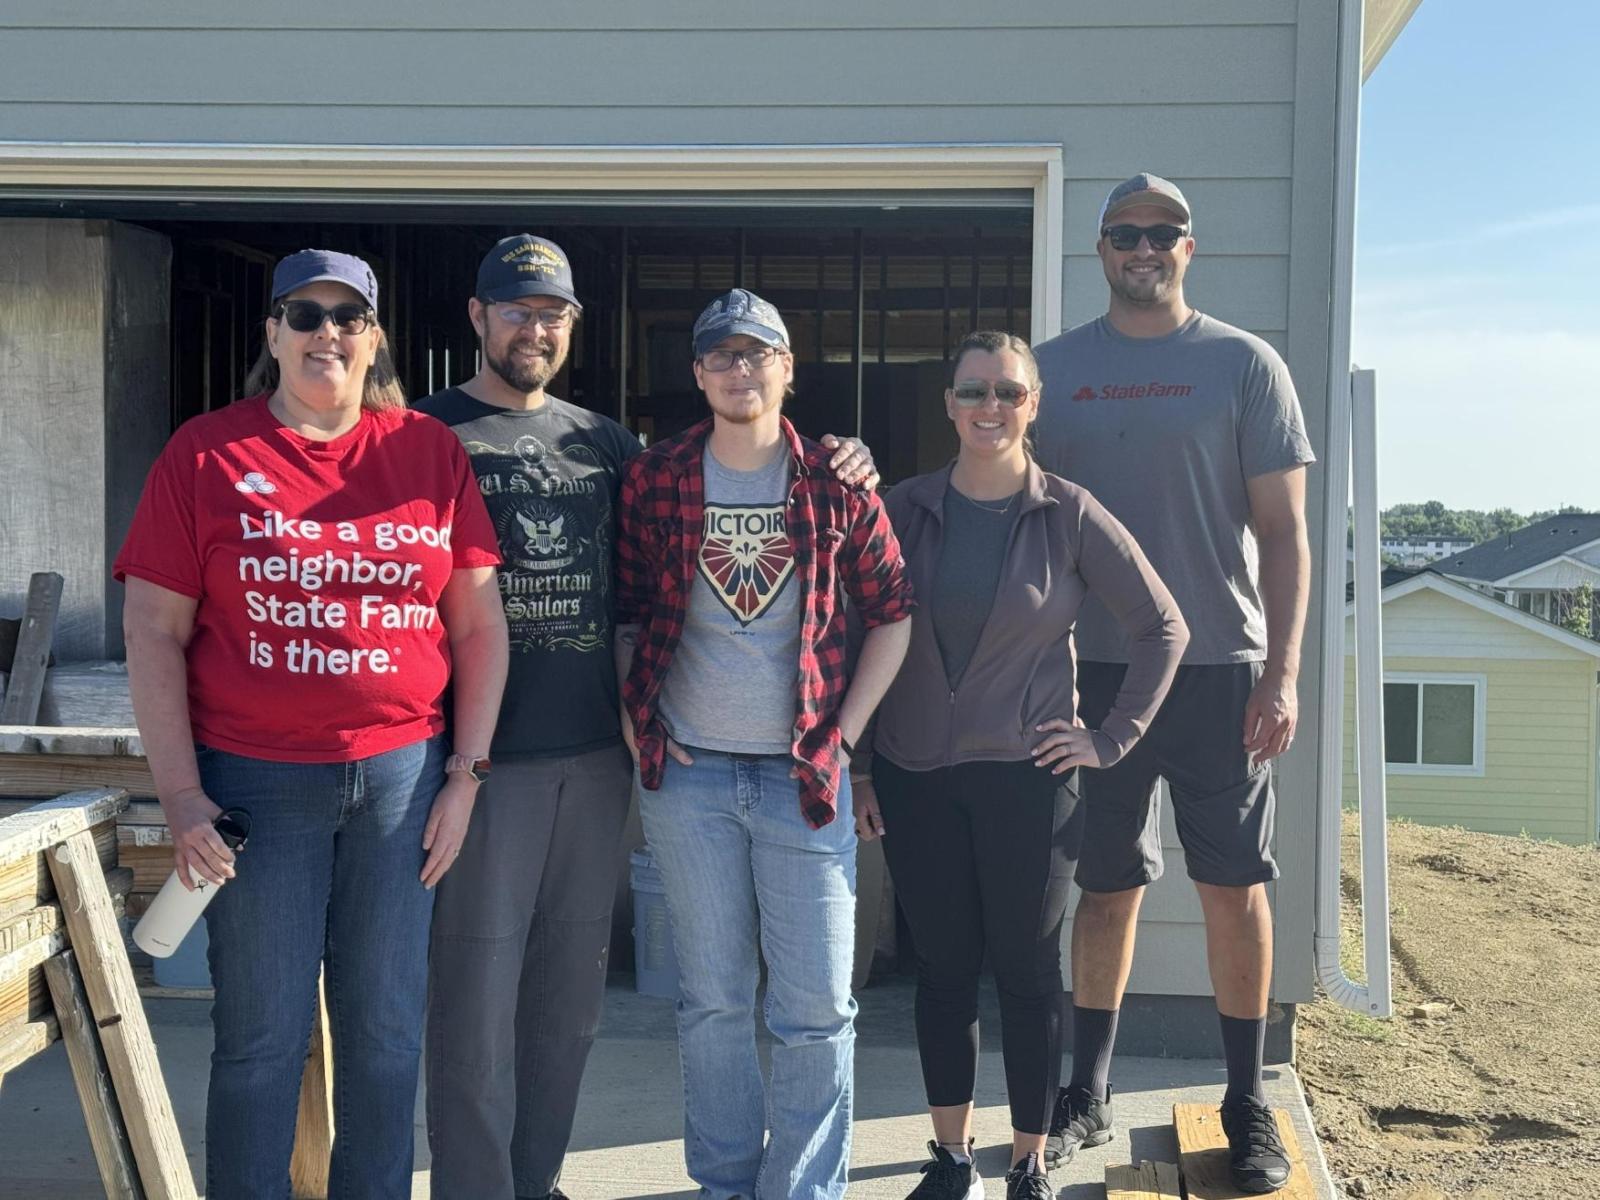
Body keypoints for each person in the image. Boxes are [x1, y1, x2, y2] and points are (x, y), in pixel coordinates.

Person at [417, 244, 882, 1200]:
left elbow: (643, 601)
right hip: (476, 758)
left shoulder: (610, 448)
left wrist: (850, 454)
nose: (533, 328)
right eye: (516, 309)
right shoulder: (420, 431)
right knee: (473, 1001)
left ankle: (538, 1178)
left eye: (553, 313)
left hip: (596, 759)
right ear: (477, 315)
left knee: (567, 1002)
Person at [115, 249, 509, 1198]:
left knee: (384, 1036)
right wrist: (182, 797)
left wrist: (466, 774)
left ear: (374, 338)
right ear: (273, 335)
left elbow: (480, 622)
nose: (325, 332)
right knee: (260, 1039)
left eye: (347, 317)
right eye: (304, 313)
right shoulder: (207, 454)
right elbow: (152, 631)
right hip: (254, 787)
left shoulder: (426, 450)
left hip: (402, 783)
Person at [855, 331, 1187, 1200]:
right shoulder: (904, 507)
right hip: (913, 774)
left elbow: (1163, 627)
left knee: (1029, 970)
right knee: (945, 969)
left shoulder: (1068, 512)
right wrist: (856, 767)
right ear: (950, 405)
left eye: (1008, 392)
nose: (989, 408)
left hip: (1030, 780)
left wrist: (1109, 739)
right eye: (974, 392)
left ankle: (1030, 1158)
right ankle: (950, 1156)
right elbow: (849, 633)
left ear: (1033, 405)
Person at [1032, 174, 1315, 1194]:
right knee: (1103, 891)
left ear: (1189, 248)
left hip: (1218, 673)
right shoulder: (1052, 372)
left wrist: (1280, 675)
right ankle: (1087, 1092)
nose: (1142, 248)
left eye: (1162, 233)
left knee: (1233, 891)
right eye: (1123, 234)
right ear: (1099, 250)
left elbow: (1283, 536)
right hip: (1096, 675)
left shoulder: (1243, 365)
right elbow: (1009, 509)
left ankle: (1245, 1103)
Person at [614, 288, 915, 1200]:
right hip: (690, 779)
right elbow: (628, 615)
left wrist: (845, 739)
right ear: (698, 373)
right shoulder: (655, 479)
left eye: (758, 354)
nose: (740, 370)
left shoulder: (836, 480)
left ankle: (803, 1190)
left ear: (788, 368)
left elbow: (894, 615)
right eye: (721, 356)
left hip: (803, 783)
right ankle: (725, 1183)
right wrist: (641, 736)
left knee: (817, 1008)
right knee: (711, 1002)